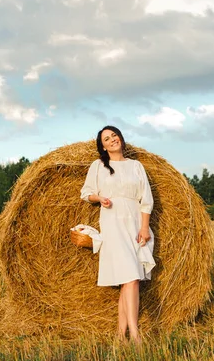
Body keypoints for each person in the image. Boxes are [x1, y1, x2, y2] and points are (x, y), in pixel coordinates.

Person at [80, 125, 154, 344]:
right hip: (112, 221)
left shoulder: (136, 166)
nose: (112, 139)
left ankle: (120, 335)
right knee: (131, 278)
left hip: (135, 222)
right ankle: (136, 334)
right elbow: (86, 193)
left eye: (114, 135)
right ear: (102, 146)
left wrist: (144, 227)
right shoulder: (98, 166)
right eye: (107, 138)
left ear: (121, 138)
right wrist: (99, 198)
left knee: (129, 280)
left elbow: (146, 199)